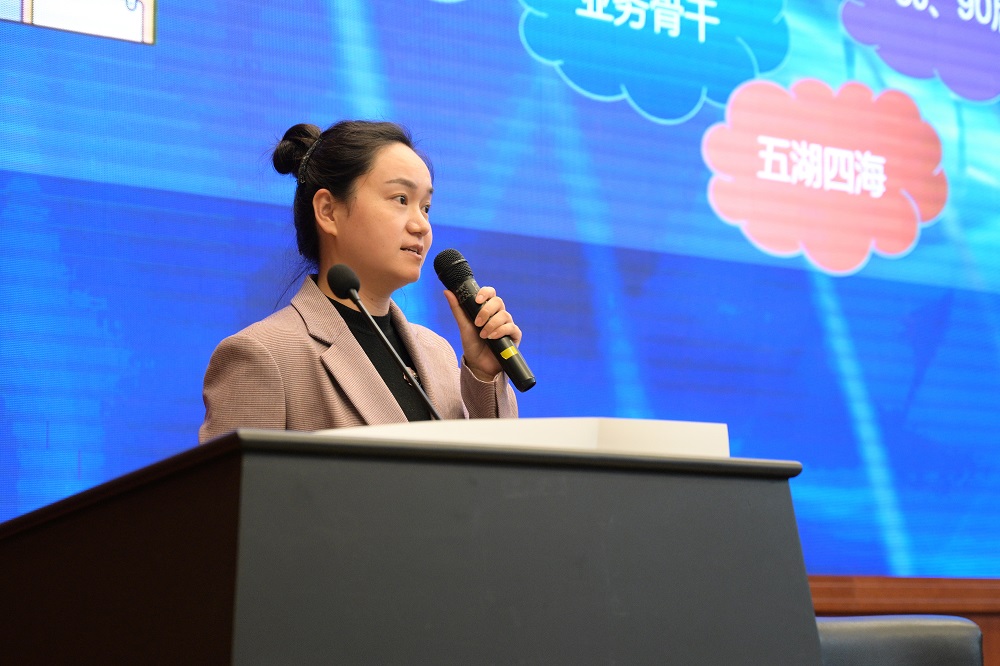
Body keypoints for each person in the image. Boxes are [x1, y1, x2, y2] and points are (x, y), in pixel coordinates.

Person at [198, 120, 519, 443]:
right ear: (328, 211)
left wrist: (484, 374)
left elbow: (491, 469)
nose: (422, 225)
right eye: (401, 199)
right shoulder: (263, 355)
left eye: (426, 208)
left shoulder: (439, 355)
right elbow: (234, 478)